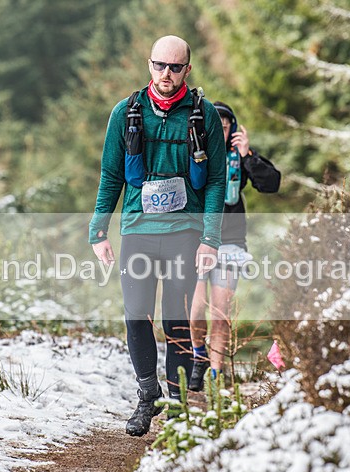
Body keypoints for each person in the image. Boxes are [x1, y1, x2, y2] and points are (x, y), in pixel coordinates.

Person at [89, 35, 226, 437]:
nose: (167, 74)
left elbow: (216, 180)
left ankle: (179, 404)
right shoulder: (125, 112)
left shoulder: (203, 115)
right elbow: (111, 175)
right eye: (159, 66)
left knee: (177, 320)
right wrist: (98, 230)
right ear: (149, 65)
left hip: (186, 232)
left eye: (175, 67)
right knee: (136, 315)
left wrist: (211, 238)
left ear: (188, 68)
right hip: (138, 231)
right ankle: (148, 395)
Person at [188, 101, 281, 391]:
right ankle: (199, 356)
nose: (222, 127)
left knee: (220, 312)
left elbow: (271, 183)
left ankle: (216, 376)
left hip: (229, 243)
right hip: (197, 240)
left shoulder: (238, 159)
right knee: (194, 313)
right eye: (217, 122)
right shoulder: (196, 152)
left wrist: (247, 155)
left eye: (227, 124)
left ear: (231, 129)